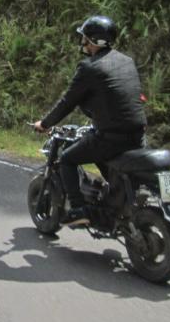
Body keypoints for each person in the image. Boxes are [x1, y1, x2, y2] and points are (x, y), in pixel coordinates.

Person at [33, 15, 147, 225]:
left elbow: (67, 102)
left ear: (93, 41)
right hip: (138, 137)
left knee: (67, 158)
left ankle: (79, 210)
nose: (82, 42)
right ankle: (113, 201)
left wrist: (45, 123)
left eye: (84, 38)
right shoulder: (126, 61)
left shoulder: (90, 68)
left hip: (111, 138)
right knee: (99, 153)